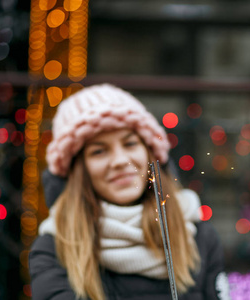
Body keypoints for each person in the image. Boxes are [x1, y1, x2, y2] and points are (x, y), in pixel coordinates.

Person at [29, 84, 231, 300]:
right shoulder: (54, 249)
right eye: (98, 151)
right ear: (78, 170)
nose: (120, 161)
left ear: (150, 152)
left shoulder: (198, 236)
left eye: (130, 143)